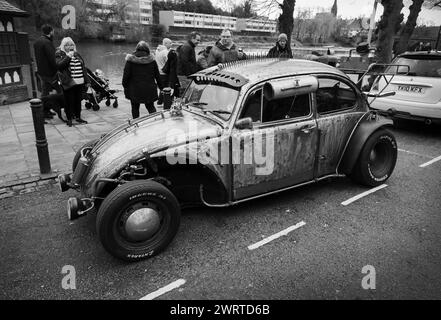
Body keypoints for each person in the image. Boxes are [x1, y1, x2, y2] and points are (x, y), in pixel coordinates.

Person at [33, 24, 66, 122]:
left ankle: (45, 111)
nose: (54, 33)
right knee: (61, 92)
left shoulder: (37, 42)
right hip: (50, 73)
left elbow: (41, 57)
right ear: (51, 31)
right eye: (53, 32)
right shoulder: (47, 42)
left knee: (45, 93)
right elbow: (52, 59)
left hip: (41, 72)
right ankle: (65, 110)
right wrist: (59, 67)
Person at [122, 41, 163, 119]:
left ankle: (136, 124)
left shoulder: (130, 60)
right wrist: (161, 87)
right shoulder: (152, 60)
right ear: (147, 49)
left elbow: (126, 75)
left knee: (135, 108)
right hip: (149, 88)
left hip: (134, 89)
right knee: (150, 107)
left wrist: (125, 86)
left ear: (136, 49)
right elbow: (157, 75)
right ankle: (155, 122)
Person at [55, 37, 89, 126]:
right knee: (69, 101)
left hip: (79, 82)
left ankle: (78, 117)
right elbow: (60, 66)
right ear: (63, 46)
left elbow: (83, 68)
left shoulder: (77, 54)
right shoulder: (59, 55)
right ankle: (69, 118)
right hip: (68, 82)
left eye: (71, 44)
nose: (69, 46)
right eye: (66, 45)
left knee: (78, 100)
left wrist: (87, 80)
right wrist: (68, 56)